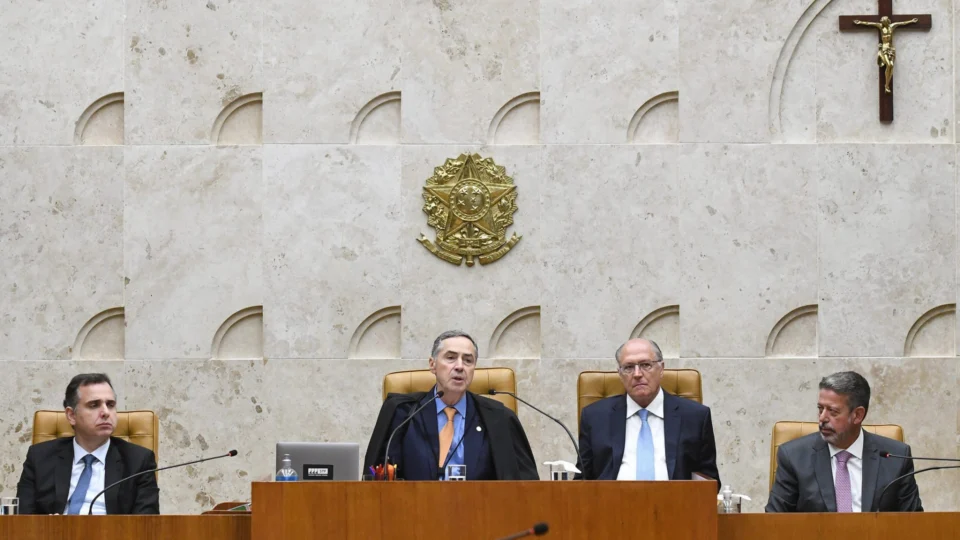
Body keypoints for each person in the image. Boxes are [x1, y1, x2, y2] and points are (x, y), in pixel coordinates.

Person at [364, 330, 538, 480]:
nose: (460, 366)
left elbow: (526, 486)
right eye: (451, 358)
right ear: (433, 365)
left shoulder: (499, 418)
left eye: (468, 360)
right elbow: (375, 480)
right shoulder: (401, 413)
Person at [766, 371, 923, 512]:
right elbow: (774, 523)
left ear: (858, 415)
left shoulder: (896, 457)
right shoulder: (794, 457)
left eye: (833, 411)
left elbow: (915, 525)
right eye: (820, 409)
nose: (822, 418)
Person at [576, 338, 720, 487]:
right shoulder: (594, 417)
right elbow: (581, 481)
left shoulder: (695, 417)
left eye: (645, 365)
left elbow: (710, 482)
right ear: (619, 374)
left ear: (661, 368)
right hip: (612, 506)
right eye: (629, 367)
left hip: (675, 506)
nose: (637, 374)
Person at [16, 373, 160, 514]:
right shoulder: (40, 457)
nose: (105, 412)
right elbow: (23, 518)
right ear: (71, 415)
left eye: (110, 405)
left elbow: (145, 525)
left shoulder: (138, 460)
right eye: (94, 405)